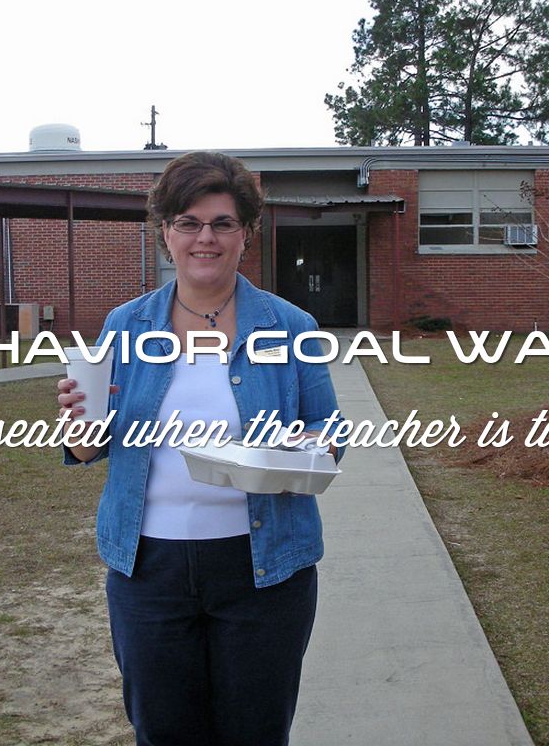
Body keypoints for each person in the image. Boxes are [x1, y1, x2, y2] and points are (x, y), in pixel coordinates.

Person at [58, 151, 343, 746]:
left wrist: (305, 447)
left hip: (264, 569)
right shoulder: (126, 326)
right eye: (188, 223)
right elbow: (89, 450)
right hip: (149, 570)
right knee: (164, 731)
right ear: (166, 232)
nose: (205, 238)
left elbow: (329, 429)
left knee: (255, 732)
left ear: (246, 234)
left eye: (222, 223)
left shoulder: (291, 325)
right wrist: (78, 425)